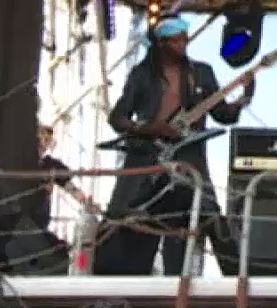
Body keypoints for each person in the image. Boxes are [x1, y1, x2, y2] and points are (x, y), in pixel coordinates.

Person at [97, 15, 256, 276]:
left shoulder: (201, 73)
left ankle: (238, 282)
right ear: (161, 43)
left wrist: (244, 99)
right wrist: (150, 128)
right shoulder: (142, 75)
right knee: (126, 217)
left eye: (185, 39)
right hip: (146, 155)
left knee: (210, 215)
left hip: (189, 156)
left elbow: (223, 115)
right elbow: (117, 118)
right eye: (176, 41)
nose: (183, 44)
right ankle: (112, 282)